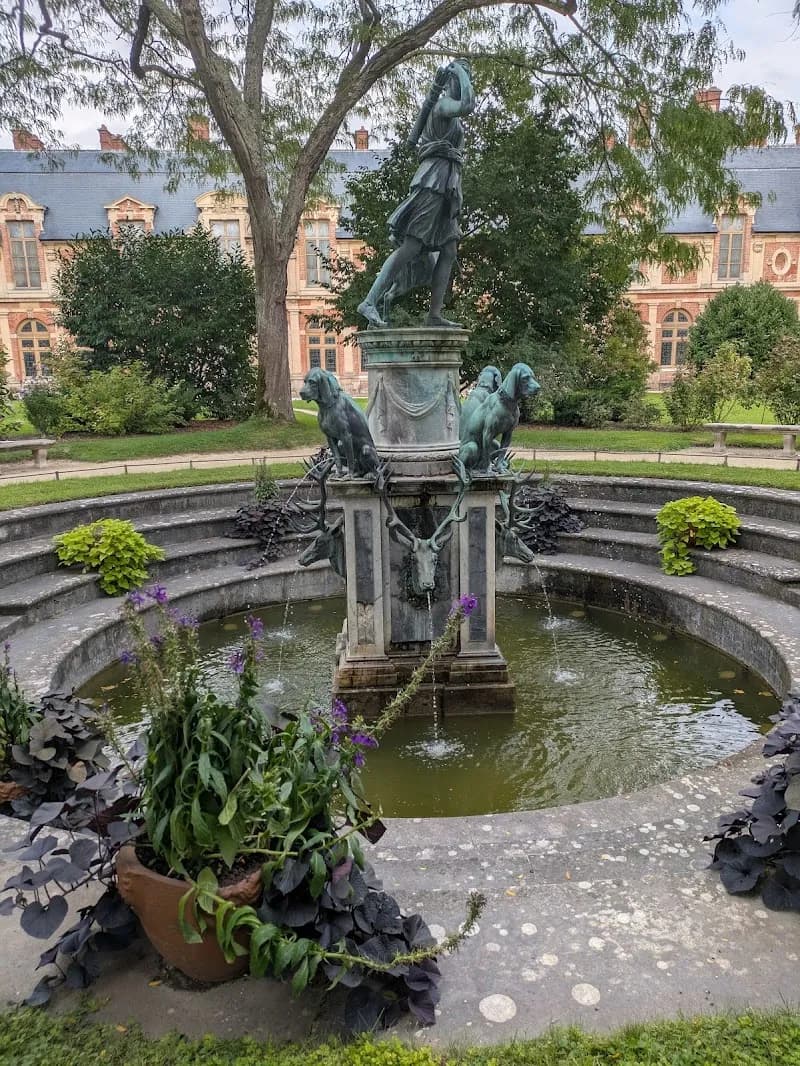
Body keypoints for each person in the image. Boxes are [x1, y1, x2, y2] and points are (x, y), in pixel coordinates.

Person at [357, 59, 475, 329]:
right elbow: (468, 105)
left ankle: (434, 314)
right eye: (464, 76)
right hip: (432, 181)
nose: (467, 81)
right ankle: (370, 301)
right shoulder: (444, 105)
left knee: (448, 249)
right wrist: (458, 73)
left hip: (447, 184)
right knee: (412, 246)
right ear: (453, 81)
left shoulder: (449, 111)